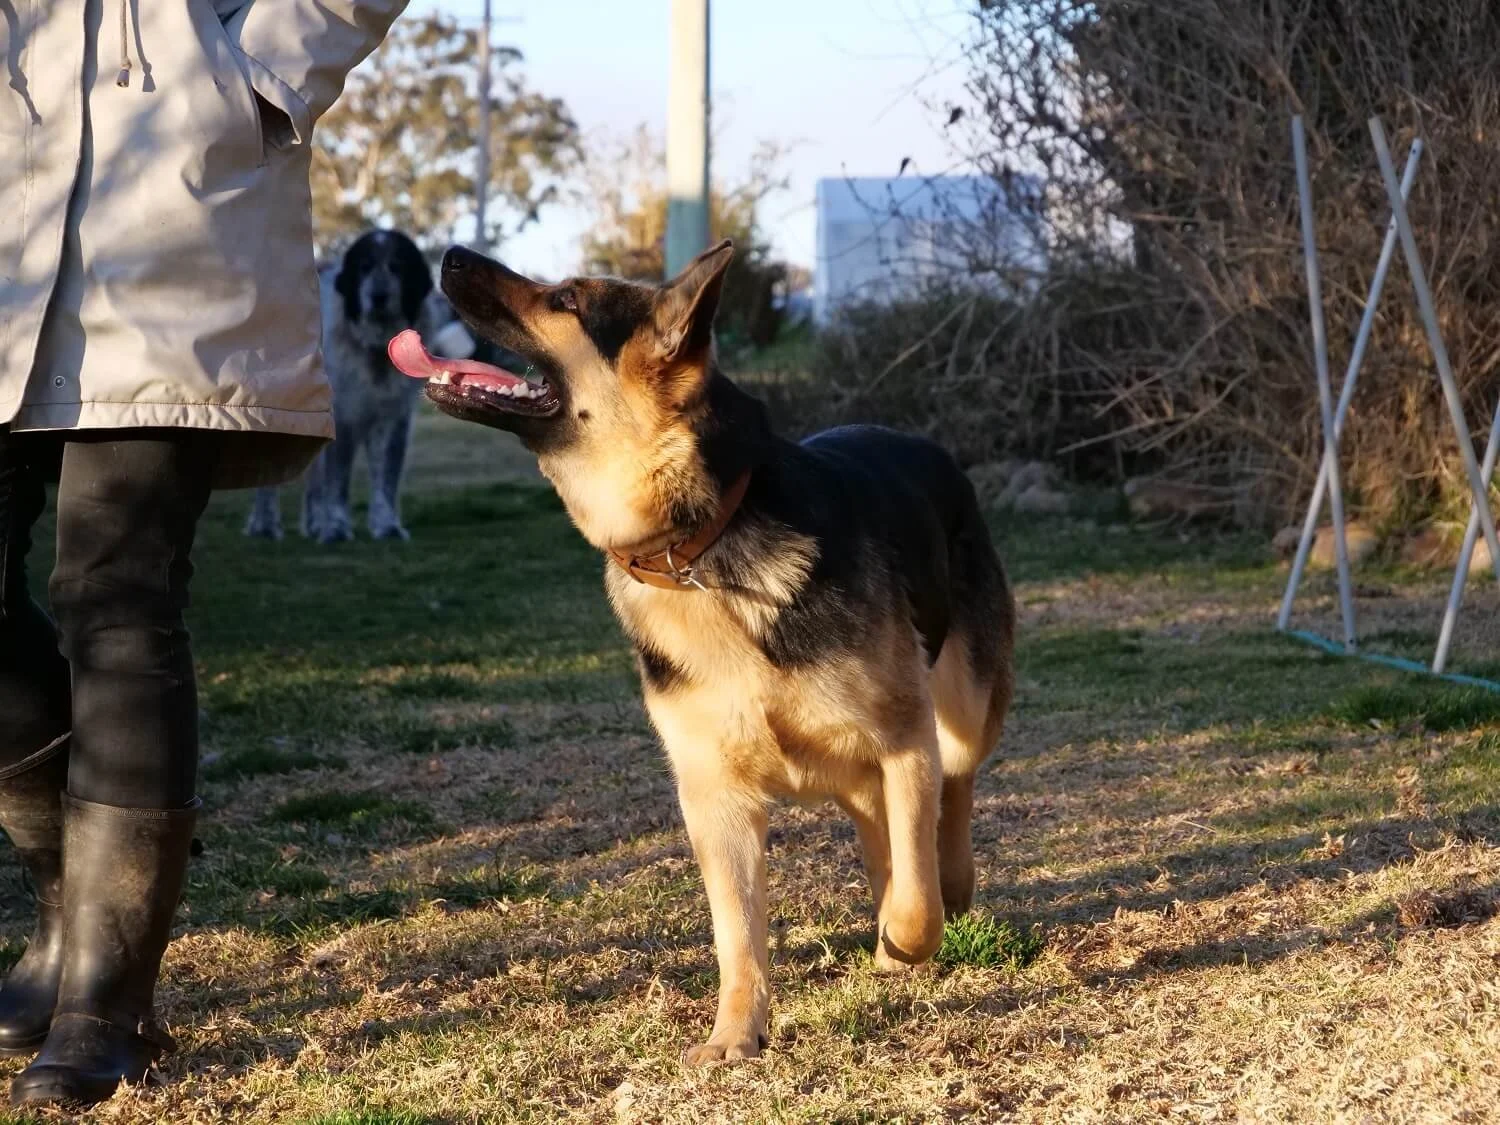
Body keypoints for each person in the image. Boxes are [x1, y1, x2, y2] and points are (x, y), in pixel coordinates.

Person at [0, 0, 409, 1108]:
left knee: (116, 591)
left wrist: (258, 70)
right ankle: (63, 896)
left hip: (166, 178)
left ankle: (105, 1002)